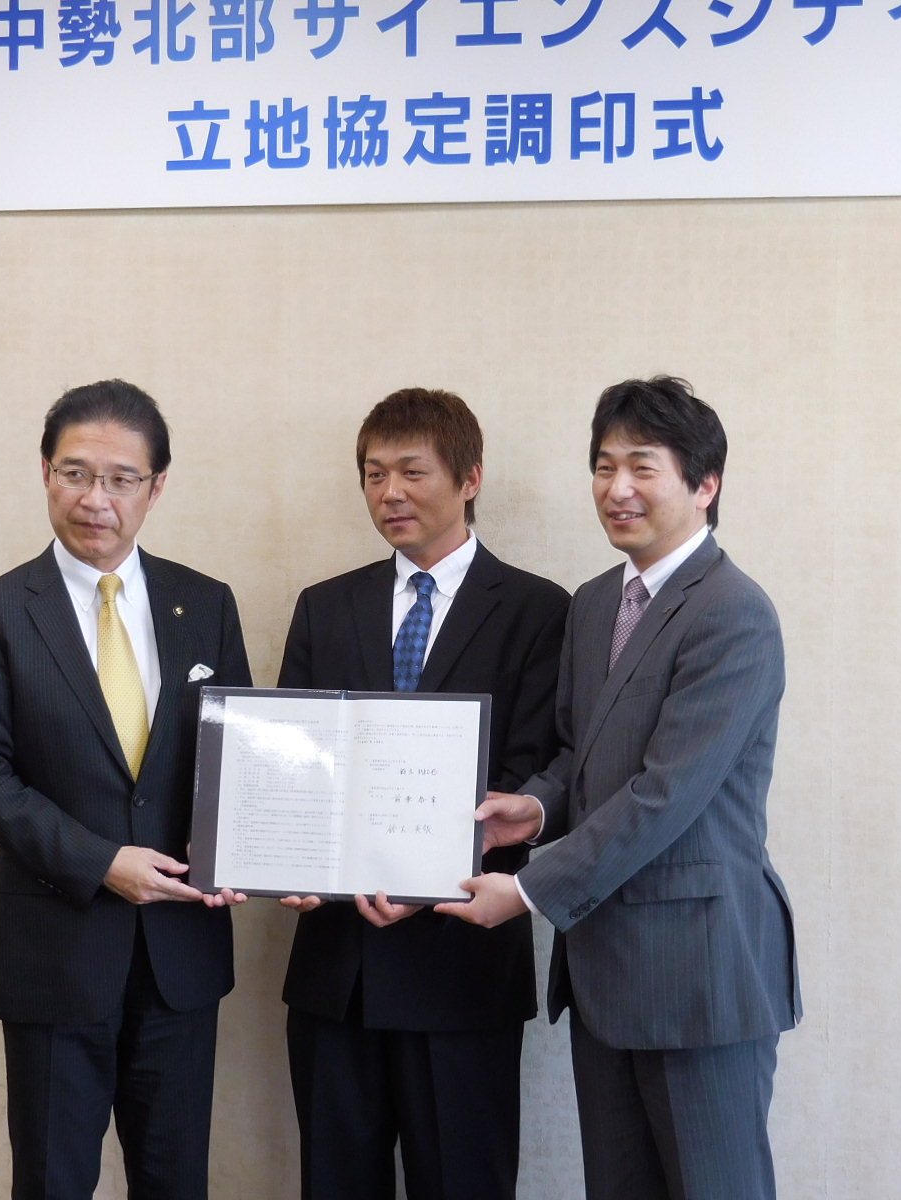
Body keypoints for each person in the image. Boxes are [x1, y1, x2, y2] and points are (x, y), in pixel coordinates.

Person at [438, 376, 802, 1200]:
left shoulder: (734, 613)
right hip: (605, 971)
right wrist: (534, 807)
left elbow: (664, 795)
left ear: (705, 485)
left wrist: (526, 890)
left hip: (700, 973)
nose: (617, 488)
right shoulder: (597, 602)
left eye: (643, 466)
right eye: (603, 467)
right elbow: (583, 752)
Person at [0, 379, 250, 1200]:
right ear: (46, 472)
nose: (95, 499)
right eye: (76, 473)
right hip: (55, 953)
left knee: (175, 1181)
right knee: (53, 1182)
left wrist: (242, 844)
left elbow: (238, 760)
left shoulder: (206, 604)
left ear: (156, 487)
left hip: (181, 955)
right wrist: (101, 862)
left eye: (121, 479)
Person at [276, 387, 569, 1200]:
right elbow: (296, 765)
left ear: (470, 478)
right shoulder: (324, 606)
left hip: (462, 966)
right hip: (337, 969)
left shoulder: (540, 610)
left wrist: (422, 871)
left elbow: (541, 768)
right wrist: (287, 854)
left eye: (413, 471)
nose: (390, 493)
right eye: (374, 475)